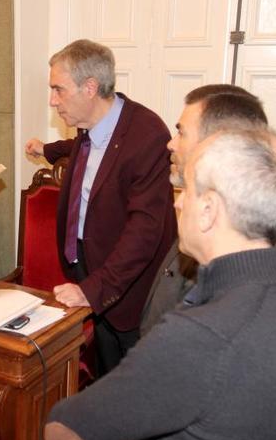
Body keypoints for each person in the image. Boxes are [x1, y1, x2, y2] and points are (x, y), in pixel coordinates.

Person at [45, 128, 276, 440]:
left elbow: (64, 431)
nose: (177, 201)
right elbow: (243, 438)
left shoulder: (199, 334)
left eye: (185, 189)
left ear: (209, 210)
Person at [24, 39, 176, 375]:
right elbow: (80, 150)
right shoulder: (88, 128)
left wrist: (92, 290)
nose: (52, 100)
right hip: (91, 273)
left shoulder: (147, 135)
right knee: (105, 380)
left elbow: (144, 232)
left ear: (90, 88)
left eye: (58, 90)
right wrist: (47, 149)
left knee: (135, 393)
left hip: (131, 294)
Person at [140, 84, 271, 336]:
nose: (170, 144)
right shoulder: (204, 209)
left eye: (182, 133)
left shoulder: (233, 237)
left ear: (216, 144)